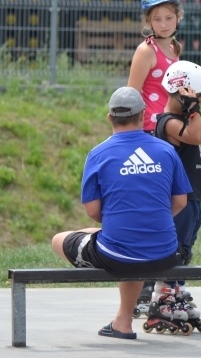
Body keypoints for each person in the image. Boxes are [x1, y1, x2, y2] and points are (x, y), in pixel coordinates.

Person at [51, 87, 192, 339]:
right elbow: (180, 201)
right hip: (165, 252)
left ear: (109, 117)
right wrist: (147, 217)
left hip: (118, 254)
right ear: (143, 114)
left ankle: (123, 322)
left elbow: (93, 211)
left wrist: (125, 218)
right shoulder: (166, 151)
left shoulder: (98, 154)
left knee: (59, 240)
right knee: (128, 244)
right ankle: (121, 322)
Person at [134, 61, 201, 330]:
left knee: (185, 249)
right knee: (176, 248)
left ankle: (175, 290)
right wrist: (192, 110)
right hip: (181, 199)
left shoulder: (179, 120)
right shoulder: (167, 122)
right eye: (197, 98)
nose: (199, 105)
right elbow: (198, 136)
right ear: (183, 95)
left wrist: (190, 109)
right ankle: (163, 294)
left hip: (193, 199)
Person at [128, 0, 183, 134]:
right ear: (149, 22)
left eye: (169, 18)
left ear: (179, 17)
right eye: (157, 19)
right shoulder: (146, 51)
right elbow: (131, 95)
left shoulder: (173, 49)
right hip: (151, 130)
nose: (163, 25)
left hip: (170, 125)